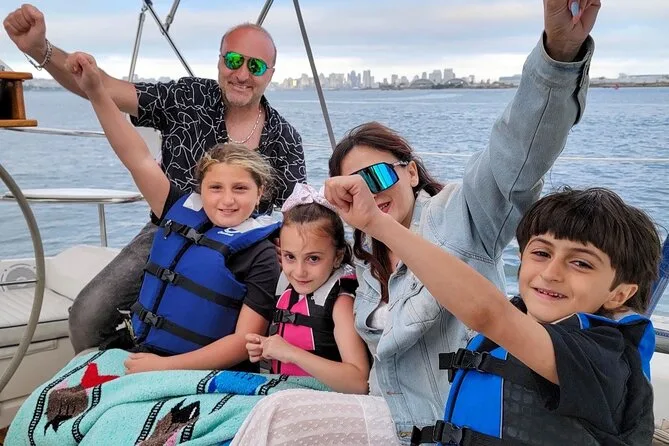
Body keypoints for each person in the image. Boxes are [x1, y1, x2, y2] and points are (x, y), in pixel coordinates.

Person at [231, 0, 600, 444]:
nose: (368, 192)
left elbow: (518, 152)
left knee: (275, 420)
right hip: (387, 413)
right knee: (264, 414)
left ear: (410, 172)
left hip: (453, 423)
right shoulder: (363, 258)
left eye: (378, 175)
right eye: (354, 184)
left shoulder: (462, 217)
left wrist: (558, 56)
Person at [3, 4, 306, 353]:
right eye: (234, 60)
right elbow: (103, 89)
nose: (241, 73)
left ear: (270, 73)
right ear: (220, 61)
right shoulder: (188, 98)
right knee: (88, 315)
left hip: (242, 250)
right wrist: (40, 49)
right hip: (168, 228)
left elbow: (297, 218)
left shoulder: (285, 139)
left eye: (255, 66)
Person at [326, 182, 659, 445]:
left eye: (581, 263)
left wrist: (377, 223)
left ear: (620, 293)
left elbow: (488, 312)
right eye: (541, 253)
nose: (551, 273)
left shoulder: (605, 360)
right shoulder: (521, 321)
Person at [66, 51, 282, 374]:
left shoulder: (261, 257)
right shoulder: (177, 207)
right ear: (200, 189)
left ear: (260, 192)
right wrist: (96, 91)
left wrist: (163, 367)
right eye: (215, 188)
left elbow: (243, 342)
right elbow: (135, 156)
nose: (227, 200)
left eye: (240, 189)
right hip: (147, 355)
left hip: (198, 373)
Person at [245, 183, 370, 394]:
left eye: (313, 259)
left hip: (325, 401)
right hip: (287, 392)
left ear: (338, 256)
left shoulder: (342, 303)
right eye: (290, 257)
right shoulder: (284, 285)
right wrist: (265, 348)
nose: (299, 271)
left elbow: (359, 382)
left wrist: (291, 353)